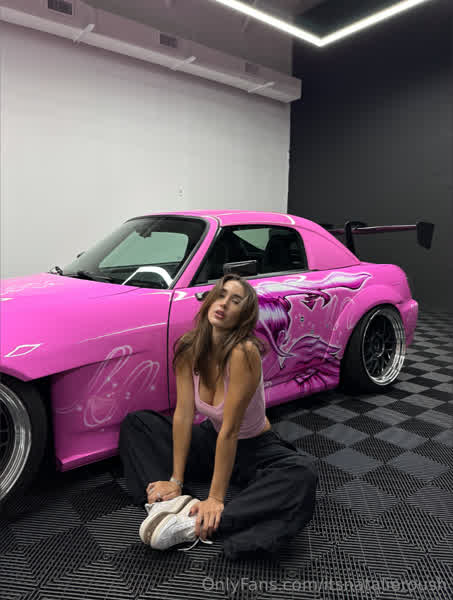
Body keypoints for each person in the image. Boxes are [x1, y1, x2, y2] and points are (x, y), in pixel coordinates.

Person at [119, 273, 318, 560]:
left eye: (235, 301)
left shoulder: (244, 352)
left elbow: (231, 430)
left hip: (253, 447)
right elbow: (183, 414)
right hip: (212, 439)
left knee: (301, 474)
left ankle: (198, 524)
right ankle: (165, 503)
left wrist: (215, 498)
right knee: (138, 423)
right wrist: (175, 480)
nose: (224, 303)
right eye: (221, 295)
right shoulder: (188, 348)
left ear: (243, 316)